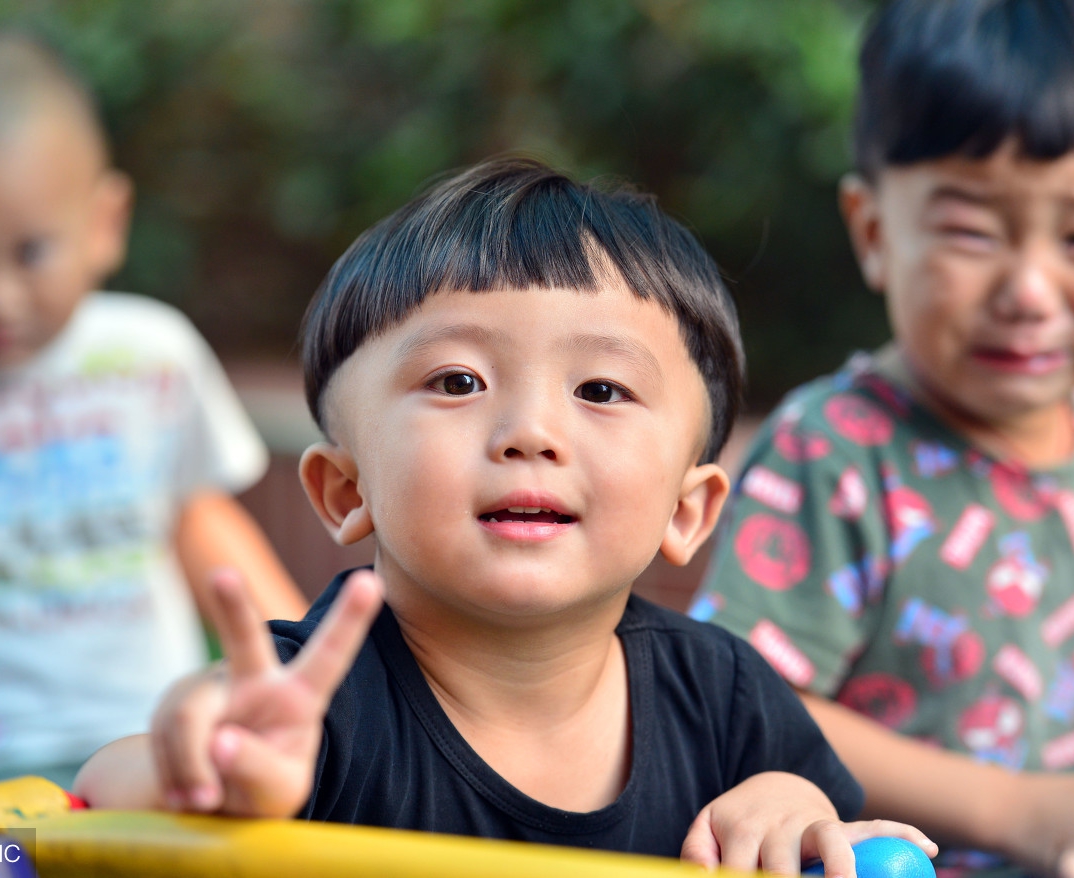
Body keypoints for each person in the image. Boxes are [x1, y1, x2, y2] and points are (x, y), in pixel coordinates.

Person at [74, 157, 937, 873]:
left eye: (601, 389)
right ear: (346, 491)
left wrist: (798, 804)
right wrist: (211, 768)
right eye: (457, 382)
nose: (530, 432)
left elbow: (855, 845)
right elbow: (64, 812)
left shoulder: (725, 700)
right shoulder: (312, 701)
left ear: (688, 508)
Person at [688, 1, 1074, 877]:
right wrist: (1011, 809)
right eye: (970, 232)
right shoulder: (835, 451)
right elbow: (751, 701)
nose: (1029, 289)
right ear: (876, 233)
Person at [0, 30, 309, 799]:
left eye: (29, 253)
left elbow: (200, 523)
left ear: (103, 223)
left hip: (146, 744)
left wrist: (302, 658)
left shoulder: (148, 356)